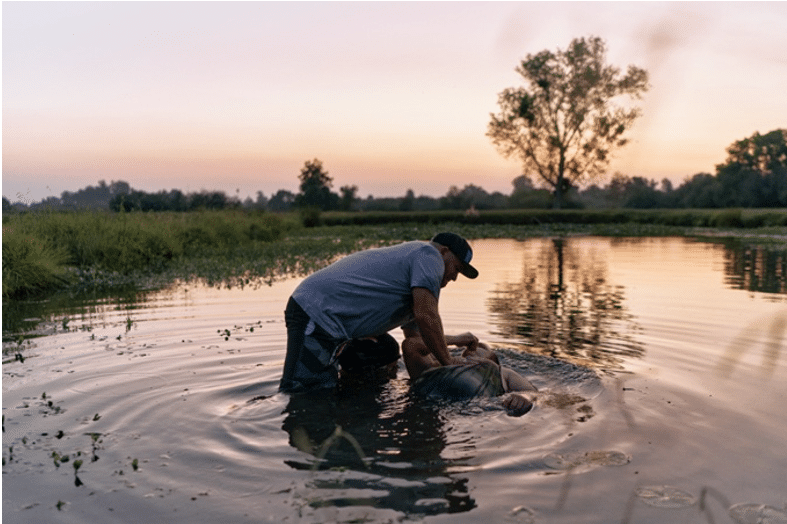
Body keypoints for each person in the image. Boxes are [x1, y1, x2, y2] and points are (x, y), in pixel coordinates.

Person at [280, 232, 480, 393]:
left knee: (326, 388)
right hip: (315, 310)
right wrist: (449, 362)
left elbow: (416, 341)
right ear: (444, 252)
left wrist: (458, 340)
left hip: (332, 326)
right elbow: (427, 317)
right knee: (300, 392)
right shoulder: (429, 255)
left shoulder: (418, 288)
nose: (454, 278)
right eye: (456, 268)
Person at [403, 337, 537, 416]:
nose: (470, 353)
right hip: (430, 405)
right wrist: (456, 340)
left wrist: (524, 397)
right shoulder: (438, 366)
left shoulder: (501, 372)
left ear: (494, 360)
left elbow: (533, 392)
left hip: (470, 407)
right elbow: (410, 345)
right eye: (465, 352)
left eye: (480, 349)